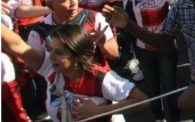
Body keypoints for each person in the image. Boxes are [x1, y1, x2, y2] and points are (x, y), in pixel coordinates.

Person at [1, 23, 149, 122]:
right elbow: (15, 44)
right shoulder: (51, 67)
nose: (51, 56)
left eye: (59, 52)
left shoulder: (100, 78)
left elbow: (142, 101)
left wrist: (99, 111)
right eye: (50, 49)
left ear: (76, 55)